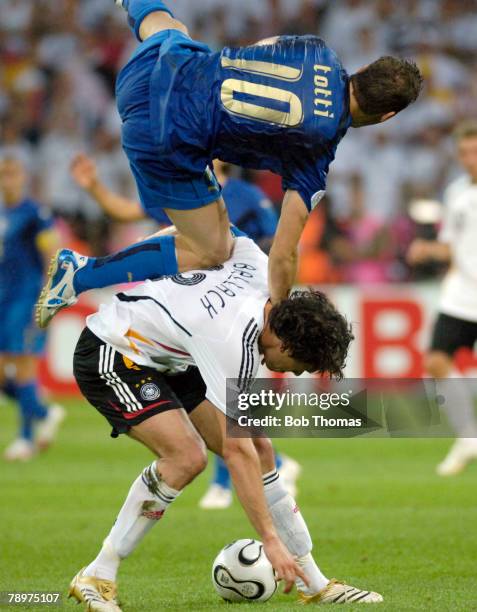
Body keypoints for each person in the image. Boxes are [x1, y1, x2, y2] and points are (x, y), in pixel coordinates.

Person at [36, 0, 423, 328]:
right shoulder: (319, 148)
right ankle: (81, 274)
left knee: (173, 29)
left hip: (149, 69)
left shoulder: (317, 49)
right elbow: (285, 251)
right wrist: (278, 311)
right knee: (213, 249)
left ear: (362, 70)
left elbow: (258, 50)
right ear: (387, 115)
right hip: (160, 135)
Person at [69, 234, 383, 609]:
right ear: (284, 345)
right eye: (300, 367)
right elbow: (234, 453)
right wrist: (269, 539)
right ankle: (97, 575)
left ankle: (314, 583)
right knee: (186, 458)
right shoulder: (235, 345)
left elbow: (213, 228)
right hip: (114, 349)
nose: (291, 373)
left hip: (171, 353)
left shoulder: (257, 266)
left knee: (262, 448)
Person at [69, 152, 288, 510]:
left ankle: (247, 472)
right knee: (222, 407)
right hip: (191, 320)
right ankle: (252, 471)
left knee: (230, 406)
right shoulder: (185, 200)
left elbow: (270, 245)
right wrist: (93, 187)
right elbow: (133, 215)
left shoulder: (245, 197)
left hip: (233, 311)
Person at [407, 121, 477, 476]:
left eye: (475, 152)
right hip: (463, 294)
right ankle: (468, 437)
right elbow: (452, 247)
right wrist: (428, 250)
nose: (470, 159)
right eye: (465, 153)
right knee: (436, 362)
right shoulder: (456, 193)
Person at [0, 158, 64, 461]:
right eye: (4, 175)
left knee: (24, 366)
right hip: (3, 298)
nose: (8, 180)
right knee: (3, 374)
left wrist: (50, 293)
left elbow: (52, 252)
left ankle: (25, 439)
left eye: (13, 174)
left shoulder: (34, 214)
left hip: (27, 299)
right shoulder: (3, 213)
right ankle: (43, 411)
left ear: (23, 178)